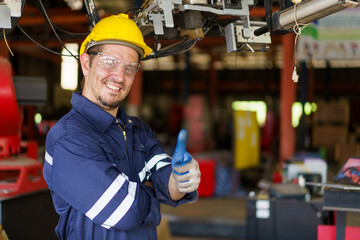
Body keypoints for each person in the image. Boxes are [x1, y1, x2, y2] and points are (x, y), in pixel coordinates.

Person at [43, 14, 201, 240]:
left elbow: (166, 180)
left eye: (129, 68)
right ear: (86, 63)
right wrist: (154, 194)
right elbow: (125, 212)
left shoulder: (137, 130)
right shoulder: (67, 138)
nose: (119, 76)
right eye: (109, 62)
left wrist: (180, 180)